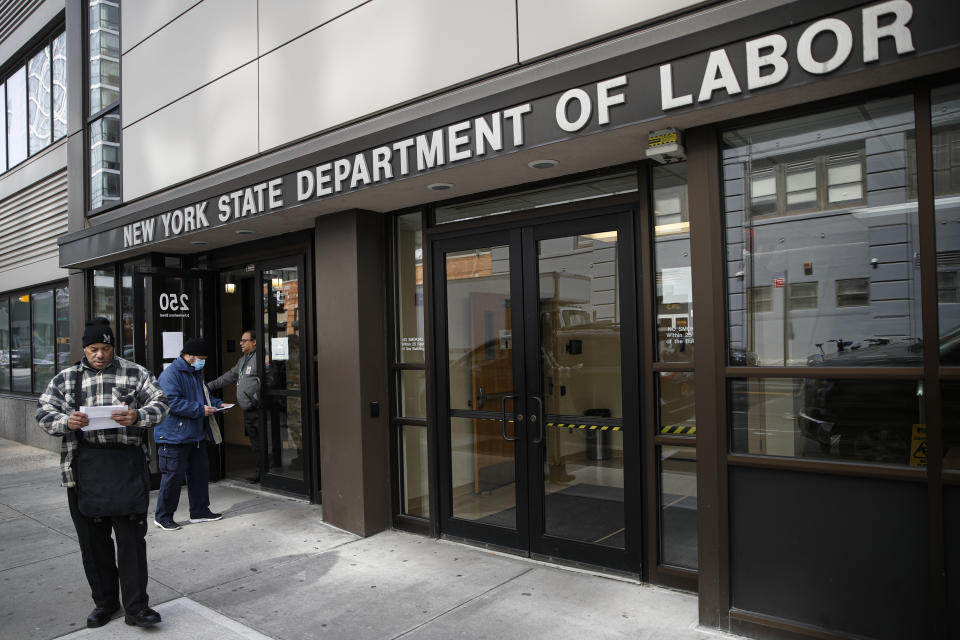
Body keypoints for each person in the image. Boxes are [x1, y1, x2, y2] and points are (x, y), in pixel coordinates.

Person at [35, 317, 169, 629]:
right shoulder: (67, 379)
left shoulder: (135, 373)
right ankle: (105, 603)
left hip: (127, 468)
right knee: (94, 544)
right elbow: (43, 412)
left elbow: (161, 404)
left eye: (106, 348)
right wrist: (66, 422)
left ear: (113, 347)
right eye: (94, 348)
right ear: (84, 348)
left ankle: (137, 607)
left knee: (132, 542)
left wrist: (137, 415)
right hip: (84, 471)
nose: (100, 354)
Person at [153, 337, 225, 531]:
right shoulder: (171, 374)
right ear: (189, 356)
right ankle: (163, 516)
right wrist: (201, 410)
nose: (203, 361)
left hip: (195, 435)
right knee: (173, 478)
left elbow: (203, 397)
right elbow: (172, 403)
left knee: (199, 475)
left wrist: (218, 405)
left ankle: (200, 511)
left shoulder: (195, 373)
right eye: (201, 357)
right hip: (173, 436)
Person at [207, 329, 263, 482]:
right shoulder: (243, 360)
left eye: (244, 341)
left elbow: (268, 379)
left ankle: (268, 473)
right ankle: (260, 472)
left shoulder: (260, 358)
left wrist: (257, 398)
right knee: (256, 443)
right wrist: (208, 386)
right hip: (248, 410)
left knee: (264, 441)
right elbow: (229, 376)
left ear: (254, 342)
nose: (241, 344)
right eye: (240, 341)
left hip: (258, 409)